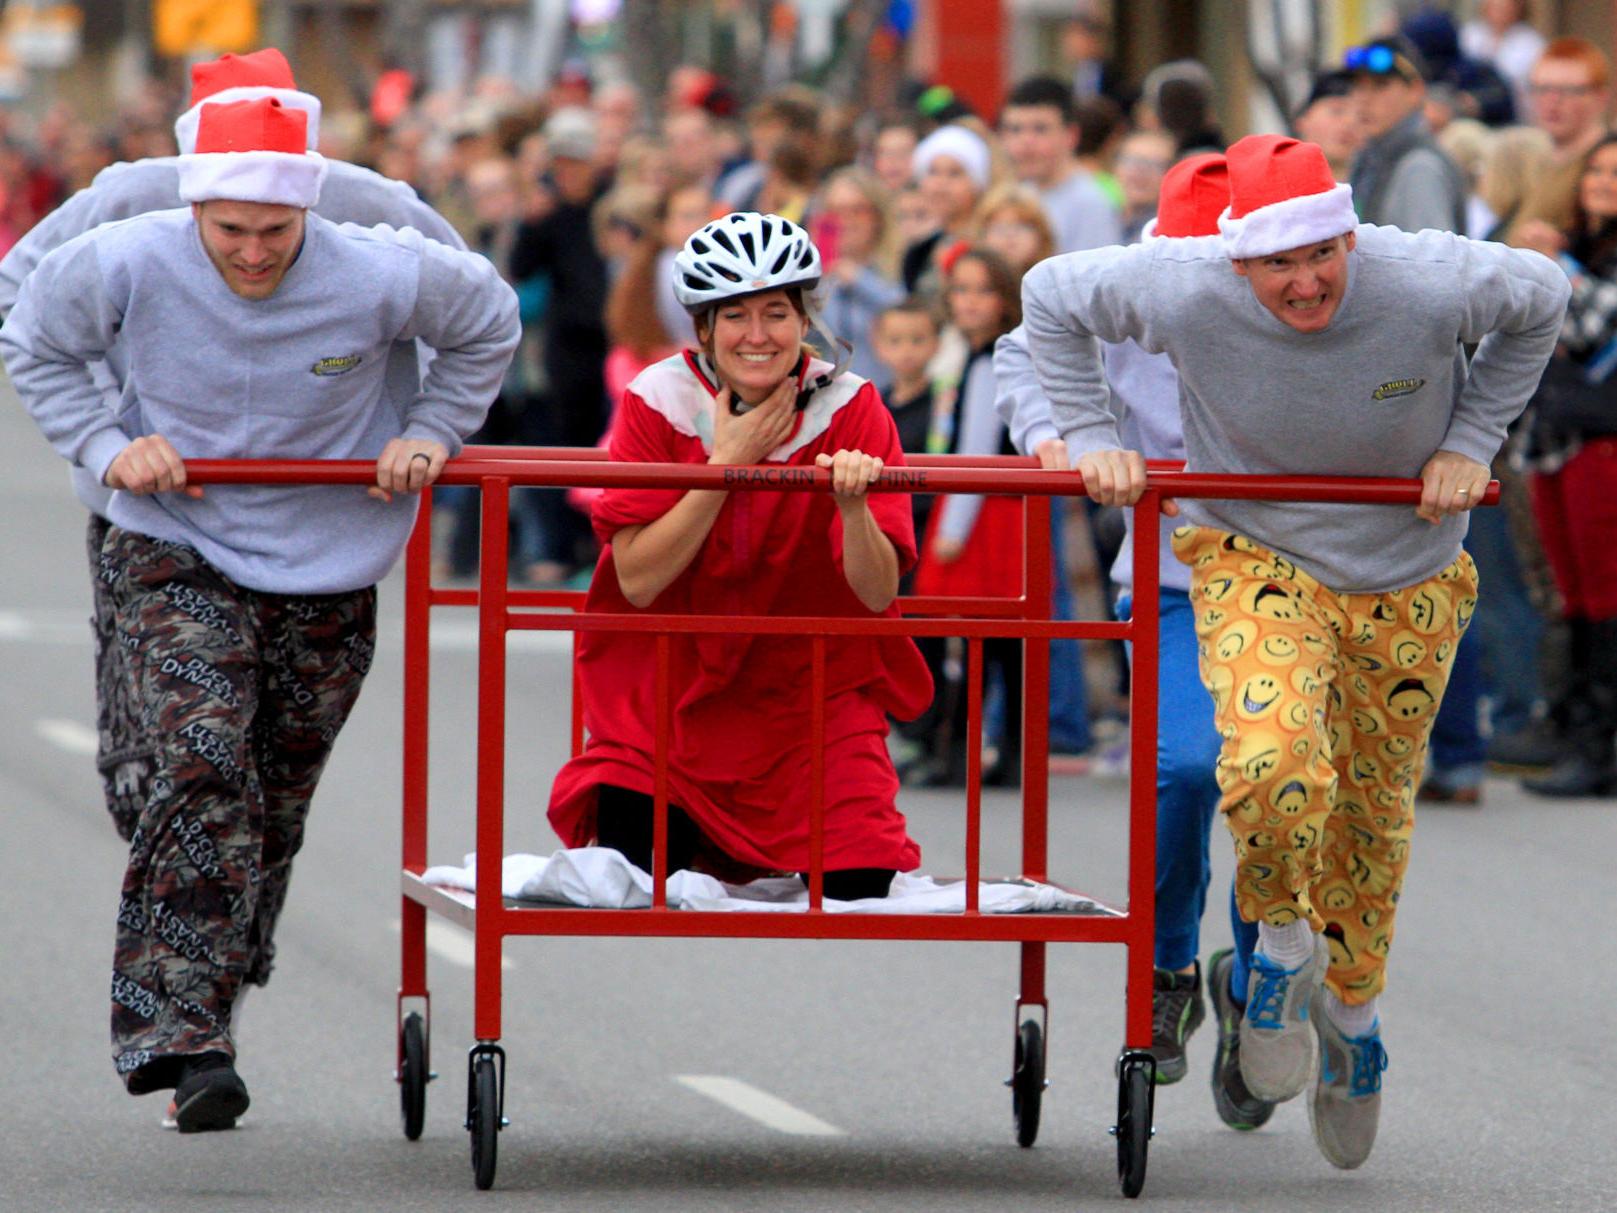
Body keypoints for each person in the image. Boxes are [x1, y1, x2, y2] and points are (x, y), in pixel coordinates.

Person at [1021, 134, 1566, 1169]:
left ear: (1351, 233)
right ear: (1236, 261)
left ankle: (1353, 1025)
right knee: (1266, 765)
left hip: (1406, 566)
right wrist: (1090, 427)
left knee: (1369, 813)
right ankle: (1272, 953)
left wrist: (1471, 439)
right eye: (1280, 263)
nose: (1308, 280)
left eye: (1323, 253)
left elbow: (1542, 295)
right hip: (1254, 550)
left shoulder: (1426, 275)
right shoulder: (1180, 284)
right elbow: (1047, 294)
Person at [0, 95, 518, 1131]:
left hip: (328, 555)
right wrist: (108, 446)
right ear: (194, 199)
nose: (250, 251)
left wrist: (430, 429)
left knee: (268, 801)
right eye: (229, 229)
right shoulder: (127, 245)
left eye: (274, 232)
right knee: (201, 760)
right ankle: (182, 1037)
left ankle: (220, 960)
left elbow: (489, 324)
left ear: (309, 211)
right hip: (173, 534)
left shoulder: (378, 257)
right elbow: (34, 339)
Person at [0, 48, 467, 846]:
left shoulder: (369, 200)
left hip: (308, 499)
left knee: (262, 764)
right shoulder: (131, 195)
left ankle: (224, 897)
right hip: (150, 489)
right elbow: (22, 294)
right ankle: (146, 787)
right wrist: (107, 427)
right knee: (169, 747)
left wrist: (411, 425)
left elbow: (463, 303)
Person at [996, 153, 1273, 1123]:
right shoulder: (1124, 292)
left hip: (1292, 580)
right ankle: (1167, 964)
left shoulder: (1294, 293)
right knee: (1189, 766)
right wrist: (1059, 434)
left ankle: (1258, 973)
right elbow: (1023, 346)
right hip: (1172, 583)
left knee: (1272, 777)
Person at [546, 212, 931, 898]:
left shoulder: (852, 406)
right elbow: (636, 579)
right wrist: (726, 465)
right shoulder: (656, 398)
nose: (757, 336)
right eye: (735, 316)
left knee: (860, 884)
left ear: (805, 319)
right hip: (666, 695)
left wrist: (850, 506)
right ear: (702, 328)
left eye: (776, 313)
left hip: (806, 692)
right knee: (640, 873)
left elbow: (877, 593)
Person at [1512, 135, 1617, 797]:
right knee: (1571, 596)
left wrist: (1549, 268)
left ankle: (1599, 747)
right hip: (1554, 439)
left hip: (1600, 442)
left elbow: (1583, 329)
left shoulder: (1576, 261)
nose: (1603, 180)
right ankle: (1575, 731)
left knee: (1605, 597)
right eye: (1597, 169)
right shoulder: (1581, 248)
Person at [912, 248, 1025, 787]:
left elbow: (977, 448)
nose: (969, 301)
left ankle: (959, 751)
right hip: (991, 507)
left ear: (1004, 298)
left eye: (982, 290)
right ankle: (990, 751)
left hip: (983, 511)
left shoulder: (991, 359)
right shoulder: (980, 354)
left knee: (975, 637)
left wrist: (952, 530)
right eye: (960, 290)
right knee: (996, 642)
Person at [1346, 36, 1469, 234]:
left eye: (1380, 85)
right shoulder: (1370, 158)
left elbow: (1432, 261)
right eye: (1358, 86)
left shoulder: (1420, 168)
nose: (1364, 99)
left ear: (1415, 90)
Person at [997, 75, 1121, 256]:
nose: (1026, 141)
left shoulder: (1090, 202)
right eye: (1015, 129)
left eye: (1040, 129)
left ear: (1071, 135)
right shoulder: (1015, 193)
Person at [1503, 38, 1612, 243]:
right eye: (1542, 89)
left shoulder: (1603, 169)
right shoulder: (1534, 162)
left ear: (1601, 97)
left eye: (1569, 91)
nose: (1552, 101)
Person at [813, 165, 904, 383]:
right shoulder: (816, 277)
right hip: (832, 401)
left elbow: (907, 311)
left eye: (858, 210)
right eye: (835, 211)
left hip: (886, 399)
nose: (846, 220)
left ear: (877, 216)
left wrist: (860, 279)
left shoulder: (897, 265)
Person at [1293, 69, 1364, 183]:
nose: (1350, 123)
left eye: (1362, 118)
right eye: (1337, 111)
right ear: (1303, 120)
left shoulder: (1383, 189)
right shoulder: (1274, 188)